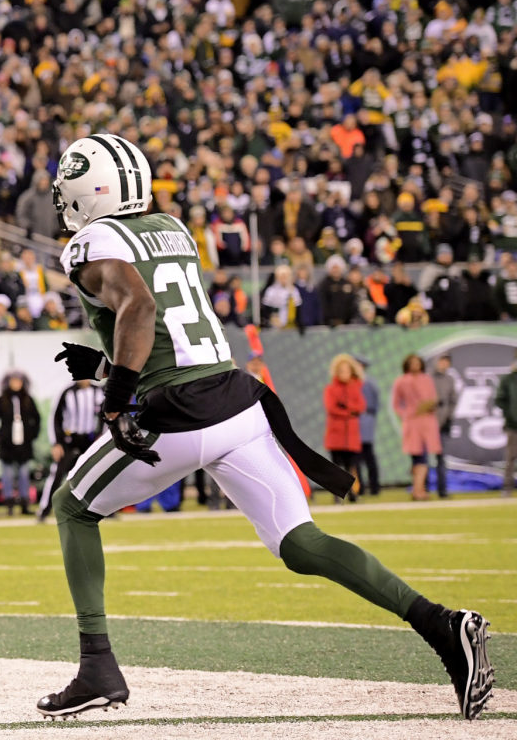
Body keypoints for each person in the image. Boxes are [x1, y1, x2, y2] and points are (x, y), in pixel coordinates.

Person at [39, 133, 492, 721]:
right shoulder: (173, 228)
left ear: (84, 191)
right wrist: (106, 367)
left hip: (177, 413)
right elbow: (173, 336)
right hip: (234, 399)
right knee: (303, 544)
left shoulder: (88, 242)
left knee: (74, 507)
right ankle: (443, 625)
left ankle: (97, 666)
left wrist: (118, 396)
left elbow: (141, 308)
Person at [38, 377, 104, 522]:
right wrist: (56, 443)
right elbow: (55, 419)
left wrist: (103, 437)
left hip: (90, 440)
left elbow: (105, 417)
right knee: (57, 474)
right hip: (69, 440)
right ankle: (44, 509)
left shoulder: (99, 392)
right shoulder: (66, 393)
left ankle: (103, 510)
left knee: (97, 474)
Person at [392, 354, 442, 501]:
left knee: (424, 457)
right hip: (412, 423)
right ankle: (417, 490)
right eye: (412, 363)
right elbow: (396, 404)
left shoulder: (426, 379)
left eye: (417, 362)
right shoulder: (401, 381)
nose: (415, 365)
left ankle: (419, 489)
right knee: (418, 457)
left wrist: (430, 406)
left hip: (426, 422)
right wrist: (406, 414)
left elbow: (433, 399)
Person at [0, 371, 40, 516]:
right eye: (13, 381)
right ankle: (9, 503)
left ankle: (24, 503)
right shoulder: (2, 400)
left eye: (18, 381)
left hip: (23, 445)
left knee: (23, 473)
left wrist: (32, 435)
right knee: (7, 474)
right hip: (7, 445)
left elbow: (37, 419)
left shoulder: (28, 400)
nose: (16, 384)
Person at [324, 354, 365, 501]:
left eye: (346, 371)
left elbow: (360, 406)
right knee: (337, 467)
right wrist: (350, 412)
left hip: (351, 435)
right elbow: (332, 408)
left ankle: (353, 493)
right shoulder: (331, 389)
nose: (344, 374)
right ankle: (337, 494)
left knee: (351, 467)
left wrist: (346, 407)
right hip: (336, 434)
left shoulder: (356, 388)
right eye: (341, 371)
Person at [431, 354, 458, 499]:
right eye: (441, 360)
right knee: (422, 459)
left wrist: (448, 416)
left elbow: (453, 401)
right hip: (427, 424)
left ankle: (442, 490)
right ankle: (421, 489)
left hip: (443, 424)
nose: (443, 364)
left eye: (446, 361)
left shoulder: (450, 380)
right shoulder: (428, 378)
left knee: (441, 457)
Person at [356, 356, 382, 496]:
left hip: (366, 424)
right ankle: (359, 487)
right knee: (356, 460)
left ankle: (374, 487)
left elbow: (376, 404)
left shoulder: (369, 383)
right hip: (354, 425)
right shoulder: (352, 383)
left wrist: (369, 416)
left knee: (369, 457)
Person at [494, 353, 517, 497]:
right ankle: (507, 487)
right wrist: (510, 415)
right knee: (511, 457)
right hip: (513, 425)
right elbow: (499, 399)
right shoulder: (508, 379)